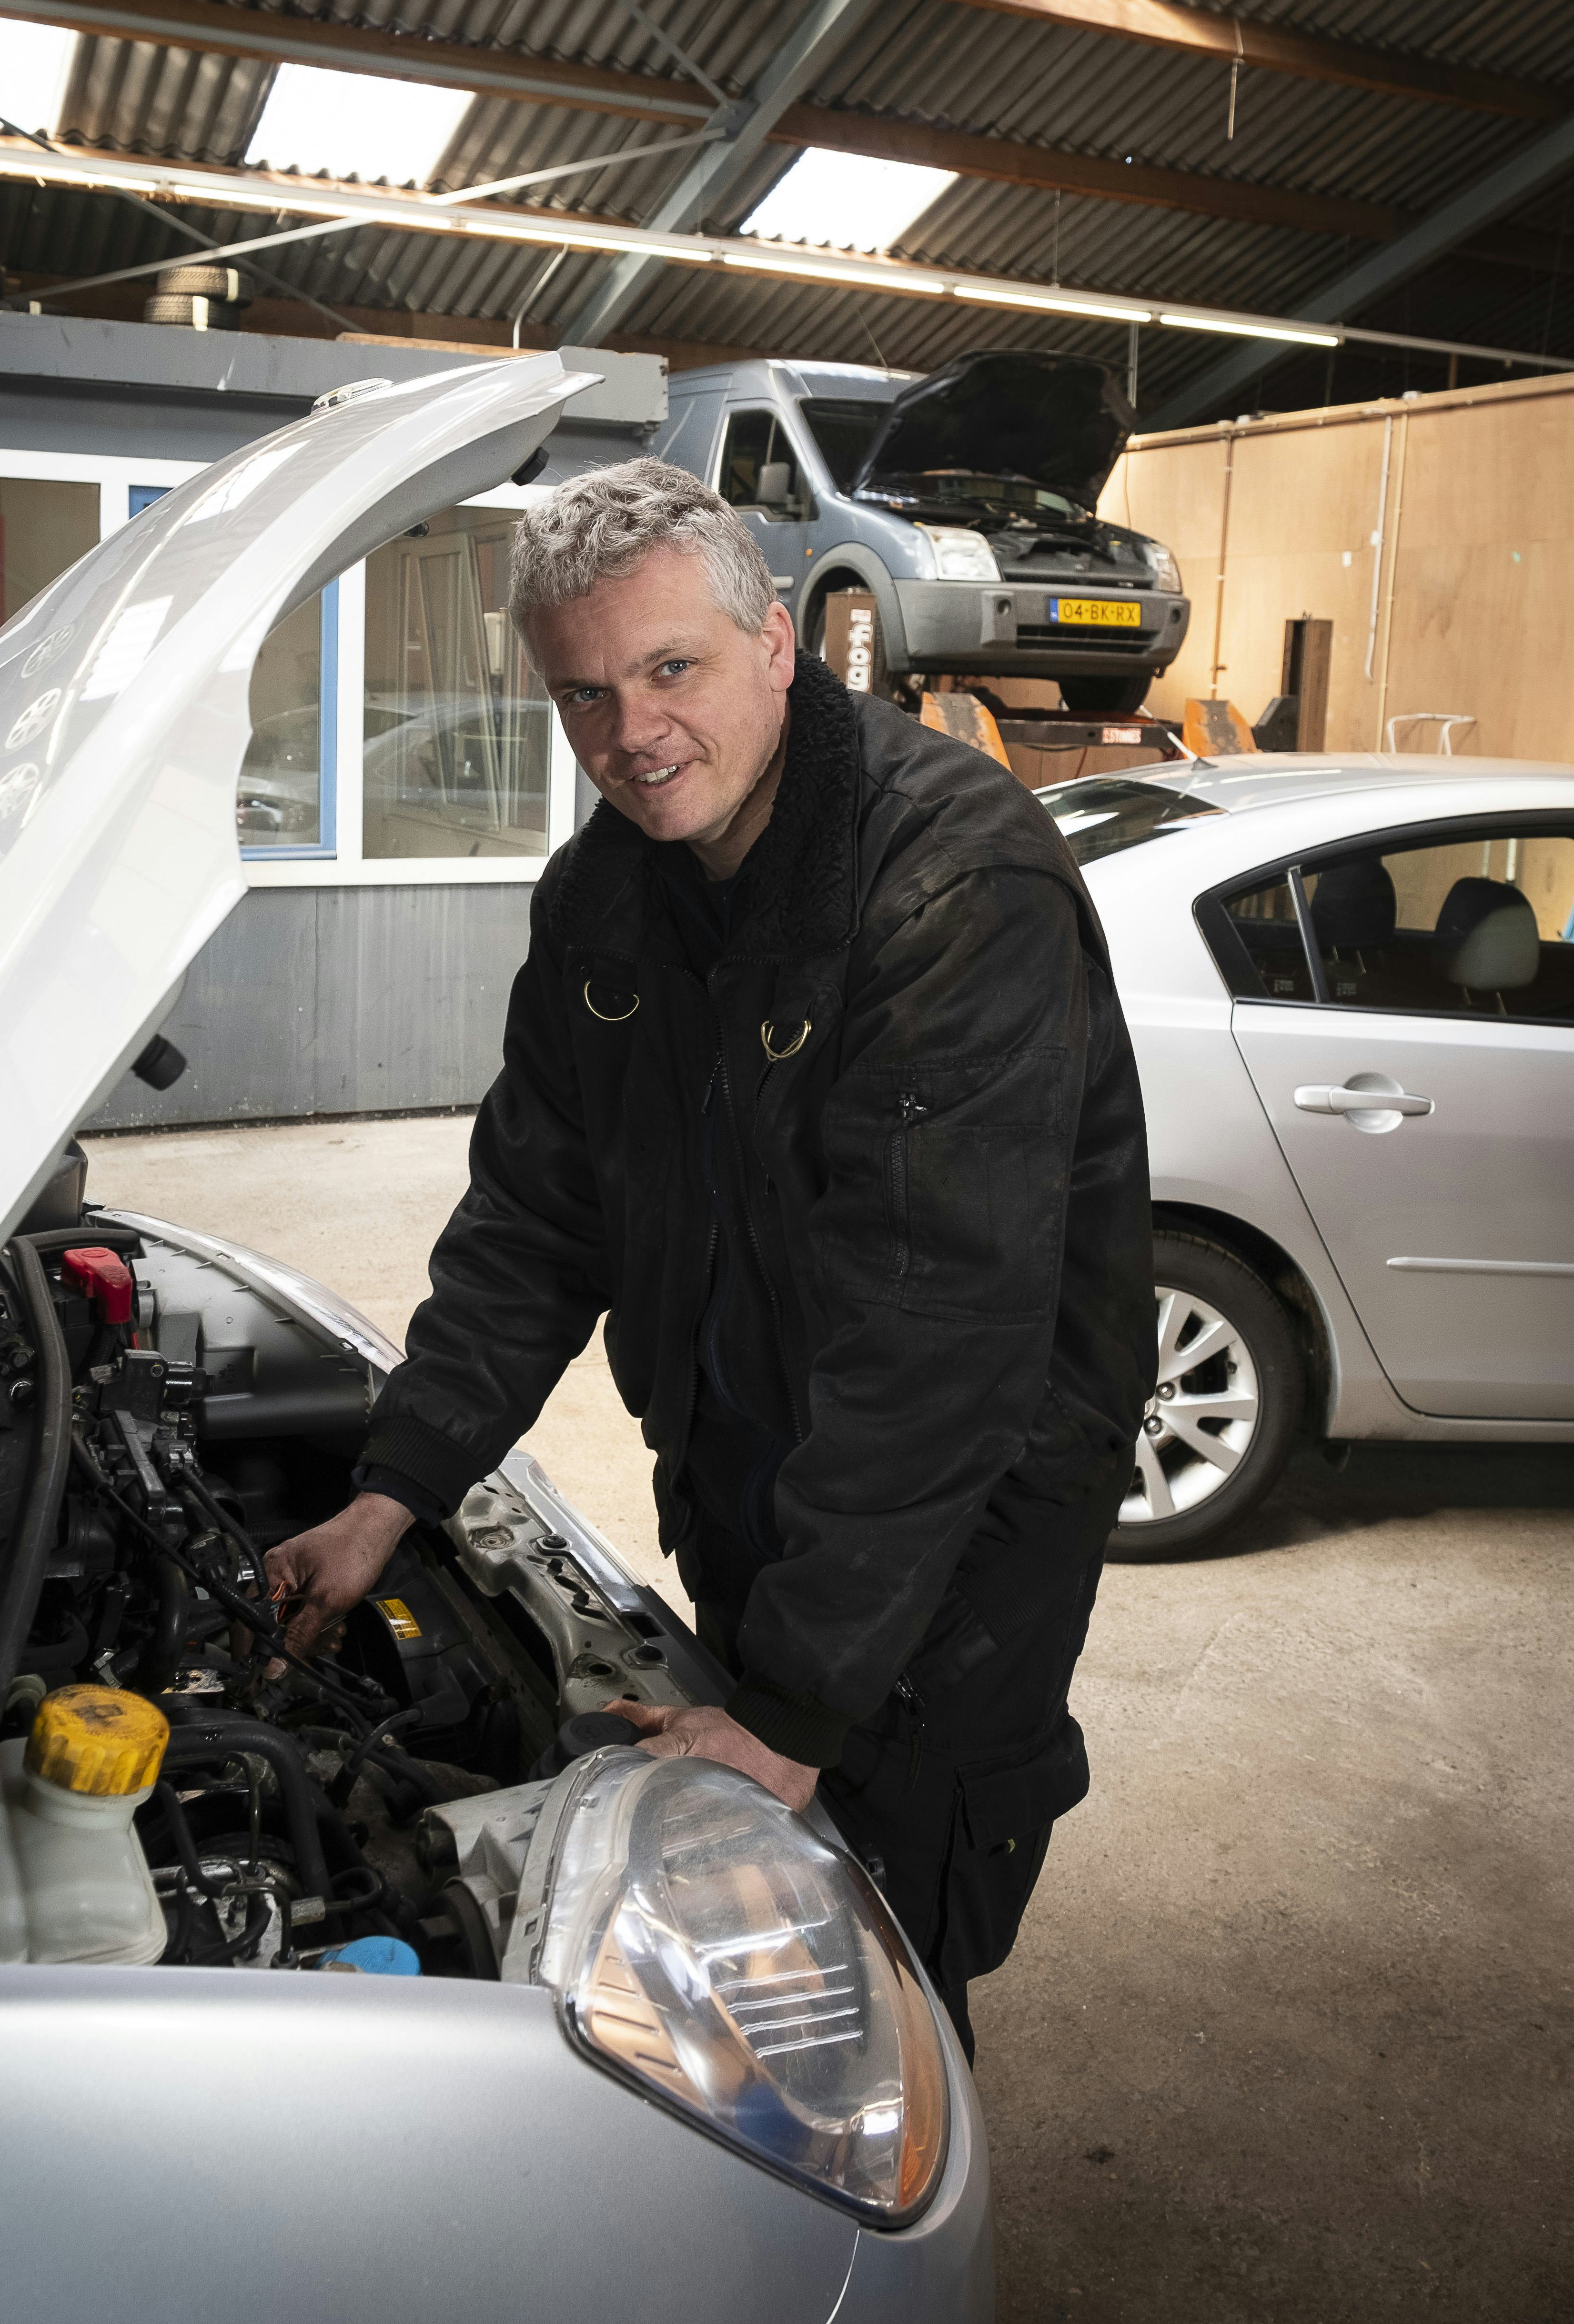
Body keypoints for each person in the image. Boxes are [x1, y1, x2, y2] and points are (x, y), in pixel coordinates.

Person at [268, 458, 1154, 2061]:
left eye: (670, 669)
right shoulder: (609, 893)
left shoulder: (952, 884)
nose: (631, 734)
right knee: (746, 1911)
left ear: (777, 644)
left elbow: (934, 1335)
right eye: (584, 695)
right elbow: (539, 1213)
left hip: (965, 1526)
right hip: (749, 1472)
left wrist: (799, 1711)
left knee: (875, 1937)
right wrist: (394, 1489)